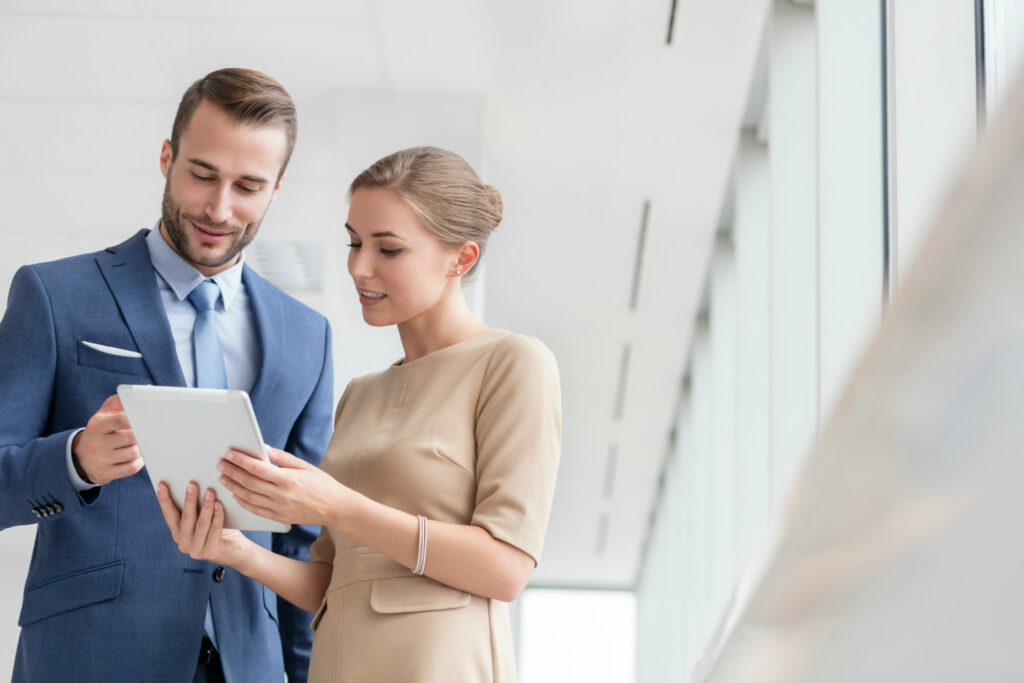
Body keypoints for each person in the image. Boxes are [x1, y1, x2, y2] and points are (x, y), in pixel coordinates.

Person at [159, 146, 561, 682]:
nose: (358, 267)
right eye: (354, 242)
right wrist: (236, 550)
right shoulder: (361, 393)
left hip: (437, 665)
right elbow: (331, 579)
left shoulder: (513, 363)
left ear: (460, 260)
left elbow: (506, 569)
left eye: (388, 249)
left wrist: (341, 506)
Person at [0, 68, 334, 682]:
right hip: (92, 654)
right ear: (166, 157)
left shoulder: (307, 336)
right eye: (202, 174)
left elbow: (302, 541)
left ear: (275, 191)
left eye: (248, 186)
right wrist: (74, 460)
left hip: (247, 665)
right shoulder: (54, 295)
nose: (219, 207)